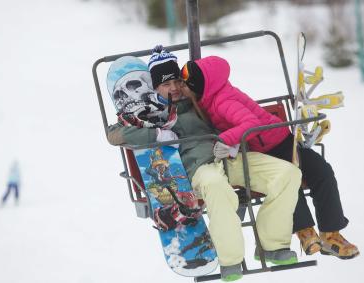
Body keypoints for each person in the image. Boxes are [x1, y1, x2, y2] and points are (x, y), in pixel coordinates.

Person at [107, 46, 302, 281]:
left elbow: (228, 110)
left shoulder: (198, 98)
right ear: (155, 88)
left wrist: (231, 141)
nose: (174, 89)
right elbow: (114, 134)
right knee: (216, 187)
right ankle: (230, 260)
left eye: (178, 82)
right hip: (199, 168)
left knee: (287, 173)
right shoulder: (150, 112)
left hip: (230, 157)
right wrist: (156, 135)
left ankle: (272, 245)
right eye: (166, 85)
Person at [180, 55, 359, 260]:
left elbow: (251, 123)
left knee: (321, 170)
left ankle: (331, 232)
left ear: (202, 84)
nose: (182, 86)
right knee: (290, 179)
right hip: (269, 147)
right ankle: (306, 231)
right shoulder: (212, 98)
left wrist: (224, 139)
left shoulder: (222, 101)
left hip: (277, 144)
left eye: (186, 82)